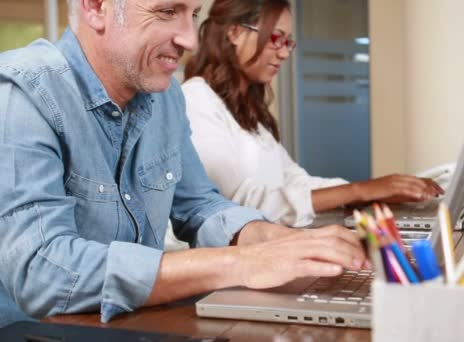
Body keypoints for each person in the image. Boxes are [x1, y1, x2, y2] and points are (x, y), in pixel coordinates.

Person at [0, 0, 366, 327]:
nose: (190, 40)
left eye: (193, 15)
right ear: (96, 7)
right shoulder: (22, 94)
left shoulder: (165, 96)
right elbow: (41, 273)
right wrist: (242, 263)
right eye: (167, 12)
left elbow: (199, 204)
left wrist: (279, 240)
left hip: (132, 326)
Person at [182, 0, 444, 228]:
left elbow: (296, 181)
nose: (284, 53)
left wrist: (376, 192)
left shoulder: (248, 109)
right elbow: (233, 203)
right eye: (275, 38)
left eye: (287, 42)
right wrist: (360, 191)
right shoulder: (196, 98)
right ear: (235, 32)